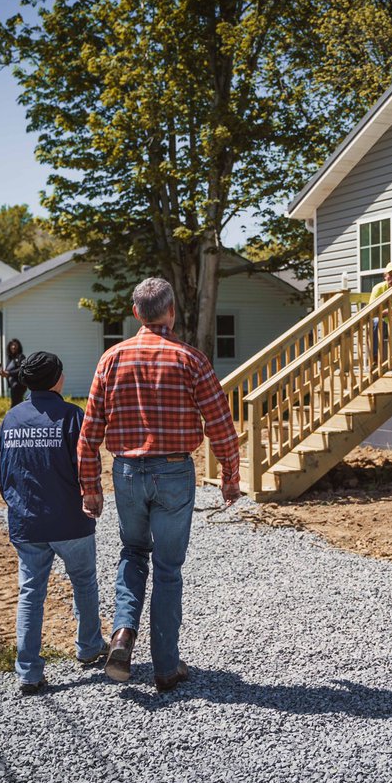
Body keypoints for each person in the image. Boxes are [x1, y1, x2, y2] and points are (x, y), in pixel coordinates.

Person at [77, 277, 240, 692]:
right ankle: (166, 666)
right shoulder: (192, 359)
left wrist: (90, 488)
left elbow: (90, 430)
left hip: (127, 472)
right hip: (173, 472)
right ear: (171, 312)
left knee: (132, 553)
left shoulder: (111, 359)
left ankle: (122, 635)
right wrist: (229, 478)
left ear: (136, 313)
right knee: (168, 569)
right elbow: (221, 425)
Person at [0, 351, 106, 695]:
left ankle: (28, 671)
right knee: (84, 582)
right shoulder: (72, 416)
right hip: (71, 521)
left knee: (30, 594)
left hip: (28, 524)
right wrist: (93, 494)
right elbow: (88, 463)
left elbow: (2, 471)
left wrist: (17, 504)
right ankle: (88, 647)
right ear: (56, 378)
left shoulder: (12, 419)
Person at [370, 261, 392, 361]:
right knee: (375, 322)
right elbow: (371, 312)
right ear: (385, 276)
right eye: (390, 275)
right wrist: (389, 312)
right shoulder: (378, 288)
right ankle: (375, 358)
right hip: (384, 323)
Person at [0, 338, 27, 408]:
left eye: (15, 345)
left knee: (15, 406)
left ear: (18, 347)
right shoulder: (10, 358)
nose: (13, 347)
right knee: (15, 405)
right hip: (13, 385)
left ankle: (17, 418)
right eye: (12, 345)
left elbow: (21, 369)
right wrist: (3, 373)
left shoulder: (21, 357)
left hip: (19, 385)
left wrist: (8, 373)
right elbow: (9, 372)